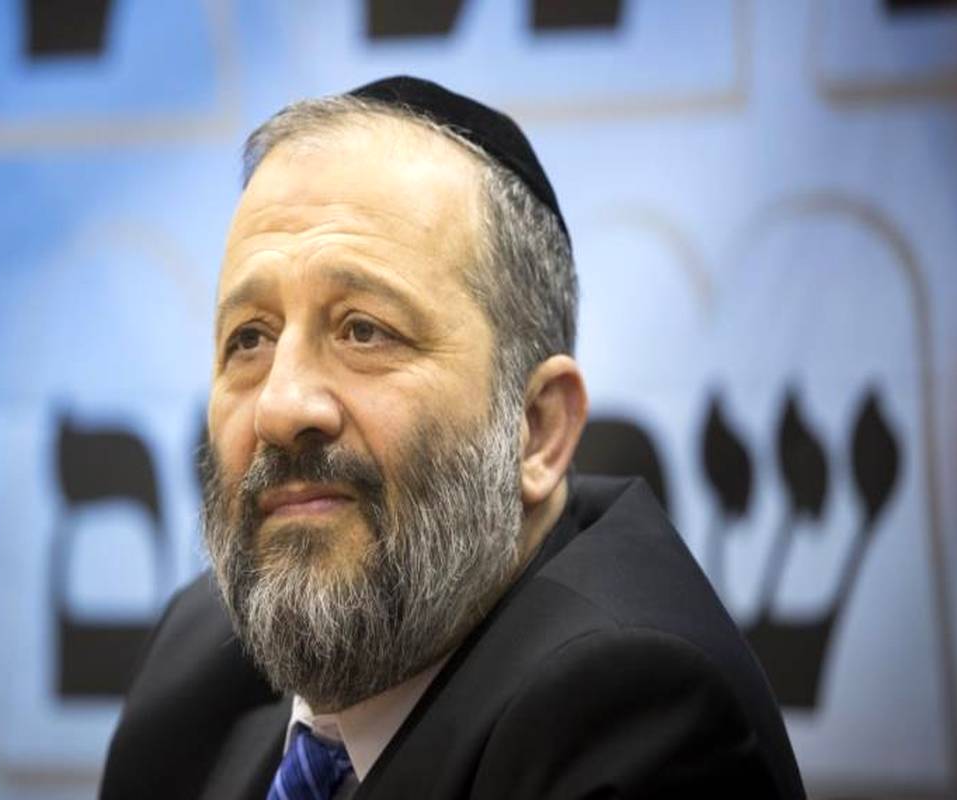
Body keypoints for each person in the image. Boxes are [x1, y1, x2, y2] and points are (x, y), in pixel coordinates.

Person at [100, 76, 805, 799]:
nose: (281, 407)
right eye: (249, 339)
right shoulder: (197, 659)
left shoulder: (631, 710)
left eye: (363, 331)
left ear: (537, 429)